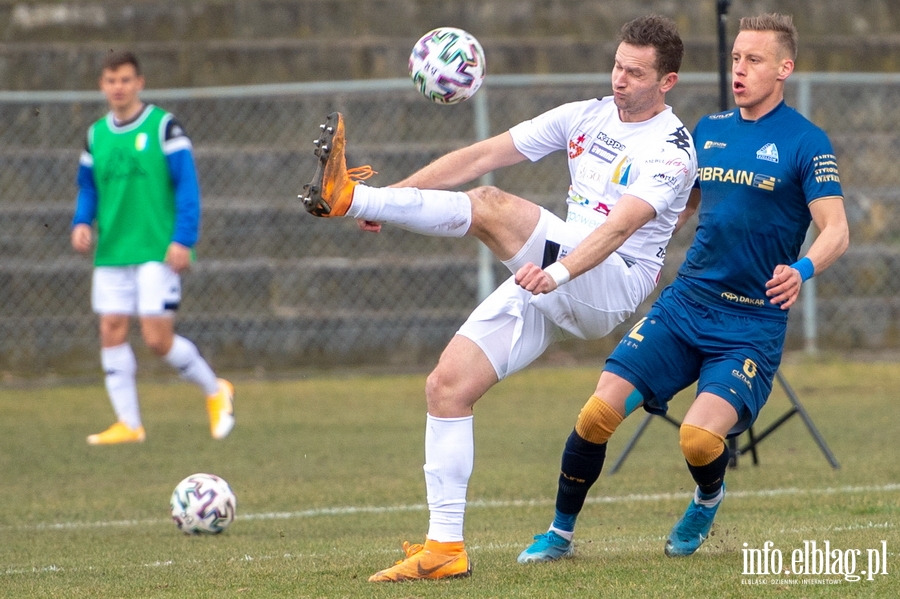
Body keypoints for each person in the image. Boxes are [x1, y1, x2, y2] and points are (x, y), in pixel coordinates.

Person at [301, 15, 697, 581]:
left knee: (489, 205)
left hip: (609, 281)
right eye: (617, 65)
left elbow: (618, 232)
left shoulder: (672, 148)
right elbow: (480, 155)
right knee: (446, 387)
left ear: (667, 82)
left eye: (635, 73)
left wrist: (557, 275)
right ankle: (444, 550)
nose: (620, 79)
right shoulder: (585, 115)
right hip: (557, 268)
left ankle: (348, 199)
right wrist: (398, 194)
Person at [514, 13, 849, 563]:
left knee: (696, 439)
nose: (739, 69)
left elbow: (836, 229)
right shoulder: (708, 132)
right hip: (686, 305)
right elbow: (680, 202)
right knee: (597, 414)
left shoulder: (806, 143)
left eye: (754, 60)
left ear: (785, 68)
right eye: (736, 58)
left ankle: (707, 497)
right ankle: (559, 534)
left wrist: (803, 269)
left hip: (750, 323)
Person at [71, 51, 234, 445]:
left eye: (125, 80)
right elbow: (89, 187)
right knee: (110, 329)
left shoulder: (164, 127)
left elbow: (187, 186)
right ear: (102, 85)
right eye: (111, 80)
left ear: (139, 82)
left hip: (156, 249)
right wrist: (81, 222)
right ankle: (129, 423)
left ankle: (216, 391)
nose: (118, 87)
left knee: (157, 340)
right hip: (112, 250)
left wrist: (183, 239)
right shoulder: (96, 135)